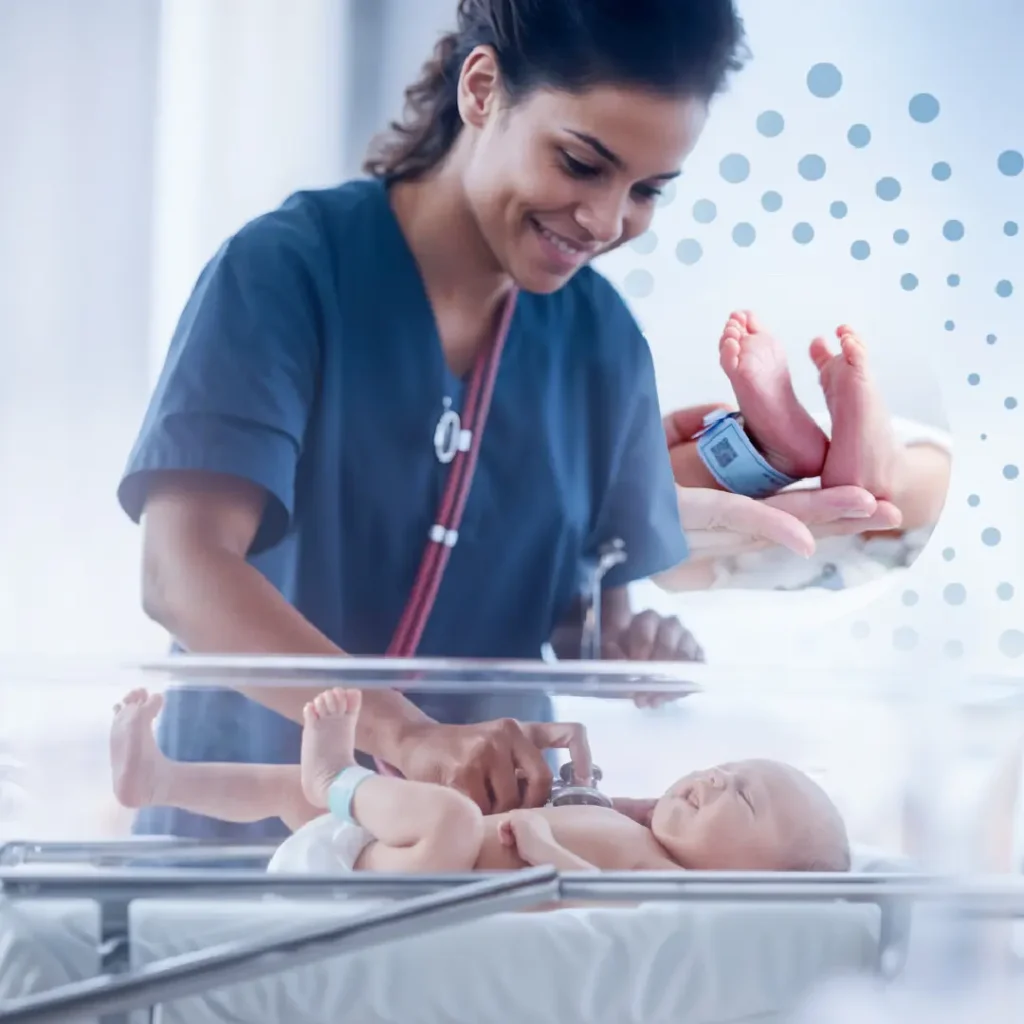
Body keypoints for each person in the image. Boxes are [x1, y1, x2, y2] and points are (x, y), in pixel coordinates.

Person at [116, 0, 759, 839]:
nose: (607, 222)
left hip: (472, 872)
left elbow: (581, 608)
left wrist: (623, 644)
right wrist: (407, 736)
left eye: (647, 191)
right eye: (580, 163)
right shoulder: (286, 275)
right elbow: (180, 569)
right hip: (243, 864)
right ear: (483, 88)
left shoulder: (602, 345)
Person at [110, 687, 851, 873]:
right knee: (280, 790)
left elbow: (587, 892)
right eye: (725, 769)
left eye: (743, 797)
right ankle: (159, 779)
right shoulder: (642, 830)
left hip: (418, 878)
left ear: (747, 877)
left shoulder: (676, 885)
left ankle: (335, 775)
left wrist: (545, 847)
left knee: (453, 822)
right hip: (395, 861)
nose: (713, 781)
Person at [658, 312, 952, 591]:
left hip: (747, 582)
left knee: (664, 515)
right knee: (940, 490)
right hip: (885, 566)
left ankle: (758, 450)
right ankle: (889, 473)